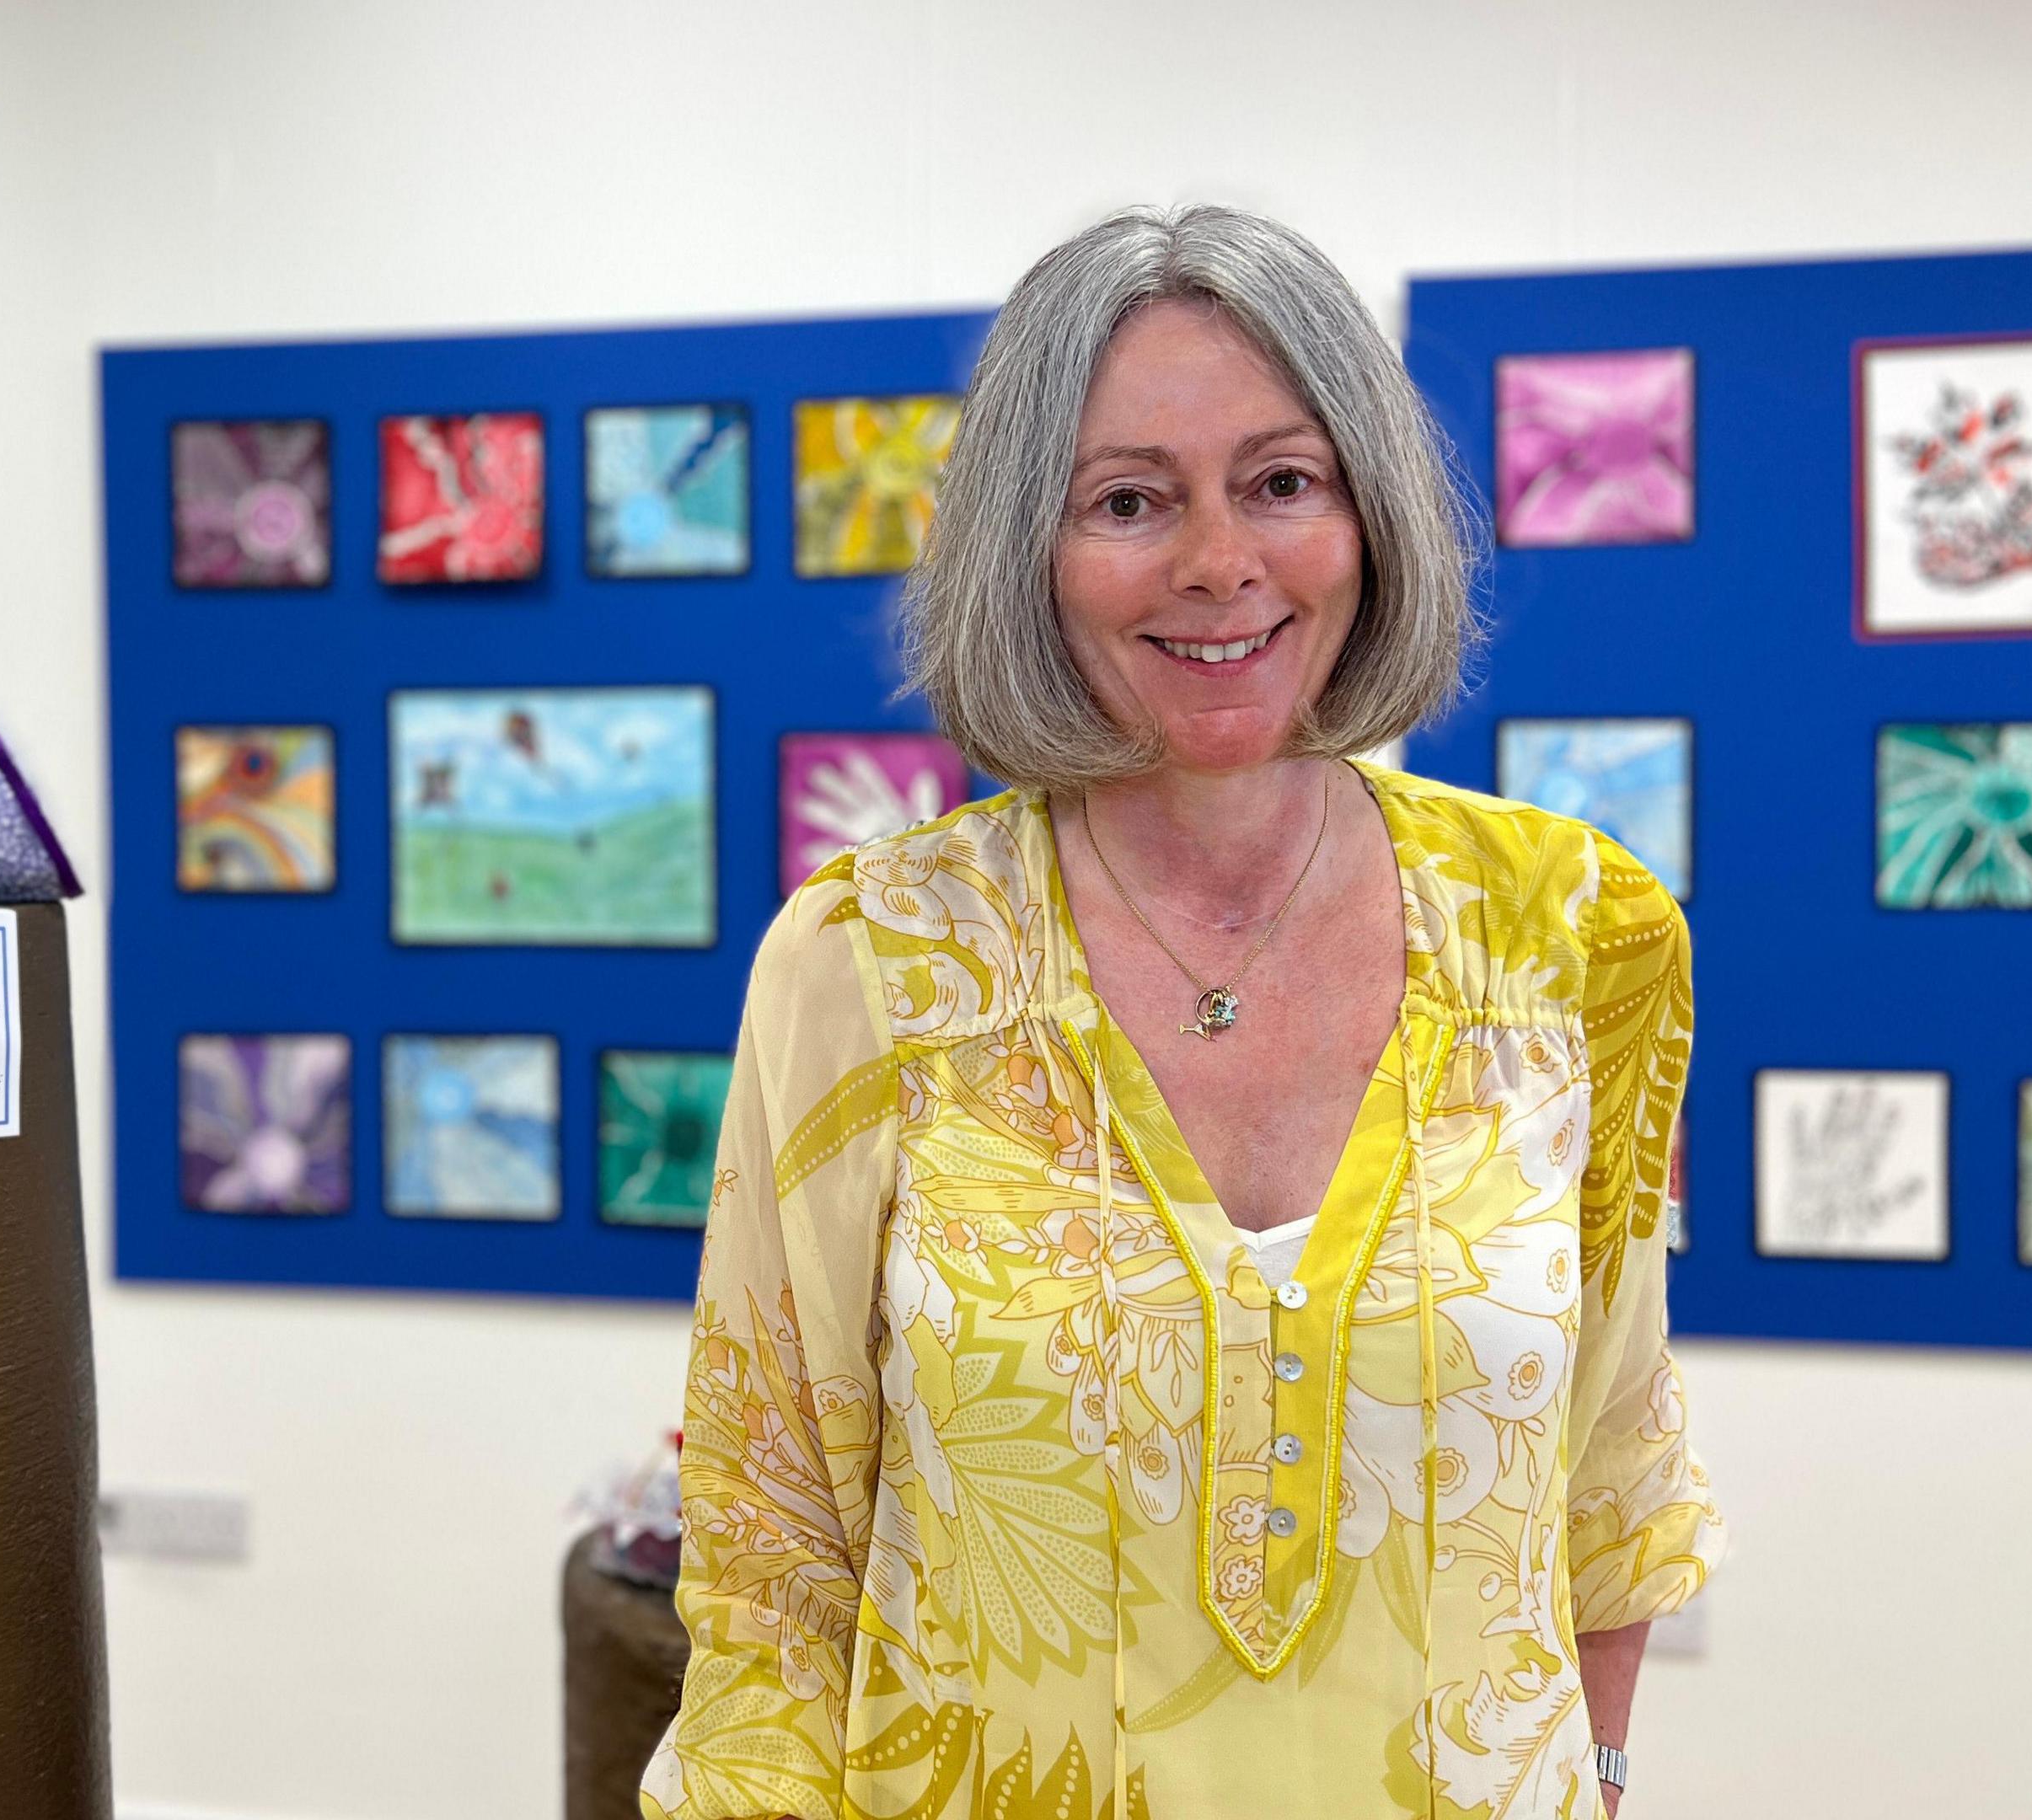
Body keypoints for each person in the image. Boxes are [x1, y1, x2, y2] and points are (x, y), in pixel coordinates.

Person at [644, 206, 1723, 1819]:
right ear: (1030, 550)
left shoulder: (1576, 931)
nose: (1220, 563)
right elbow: (770, 1543)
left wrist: (1604, 1775)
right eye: (1130, 500)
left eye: (1283, 483)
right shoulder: (867, 959)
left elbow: (1611, 1477)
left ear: (1371, 516)